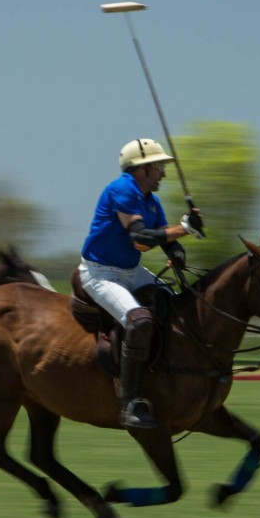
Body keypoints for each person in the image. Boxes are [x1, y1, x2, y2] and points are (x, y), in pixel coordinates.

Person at [78, 138, 204, 429]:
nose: (163, 173)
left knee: (174, 304)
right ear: (142, 169)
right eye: (159, 166)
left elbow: (163, 239)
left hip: (130, 270)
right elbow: (141, 238)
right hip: (101, 273)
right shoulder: (122, 189)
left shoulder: (151, 201)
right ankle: (130, 401)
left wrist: (178, 253)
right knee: (139, 321)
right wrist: (185, 228)